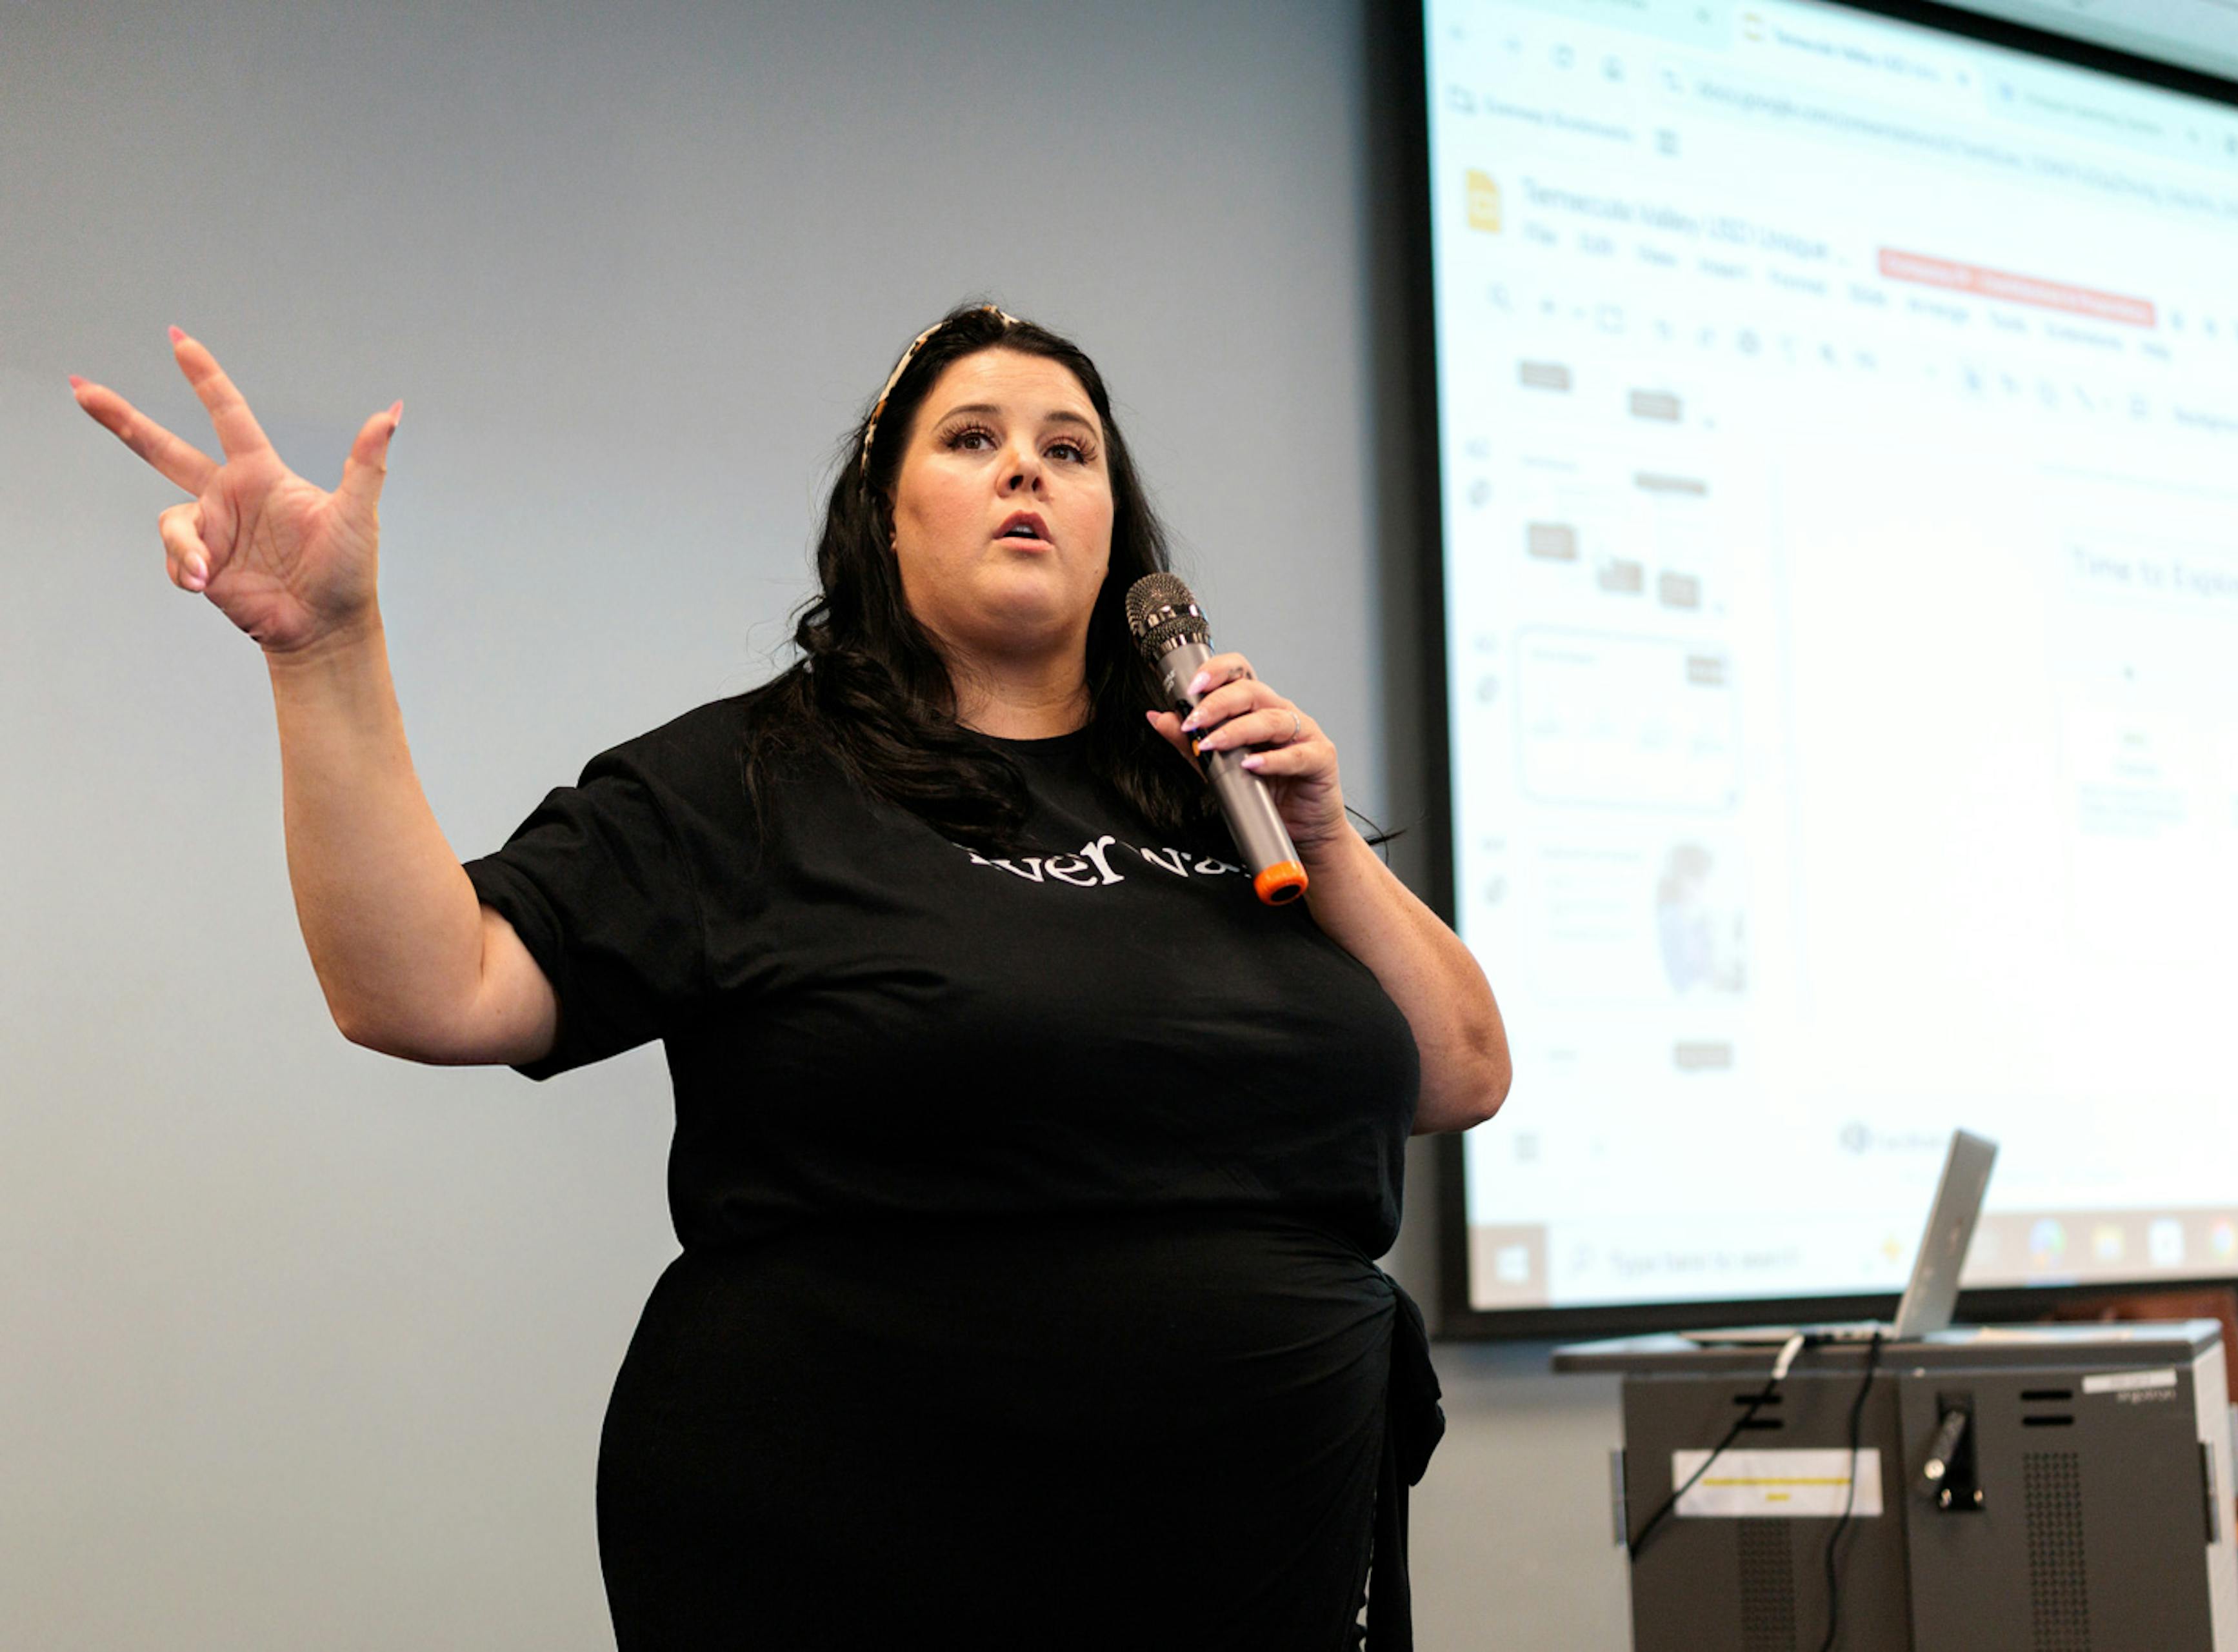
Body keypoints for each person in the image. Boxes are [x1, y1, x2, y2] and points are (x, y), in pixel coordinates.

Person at [72, 303, 1511, 1649]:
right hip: (861, 1547)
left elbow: (1461, 1072)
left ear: (1115, 527)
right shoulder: (755, 777)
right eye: (973, 439)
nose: (1028, 468)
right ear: (885, 520)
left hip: (1261, 1557)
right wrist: (327, 651)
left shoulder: (1238, 800)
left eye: (1069, 449)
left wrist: (1322, 832)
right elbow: (427, 990)